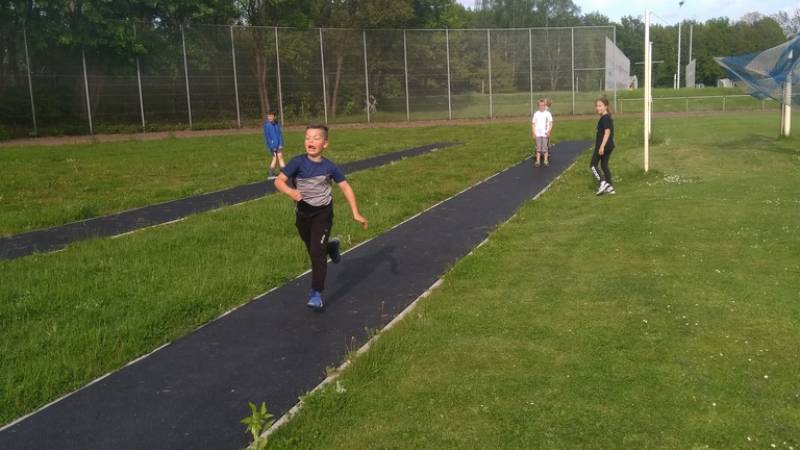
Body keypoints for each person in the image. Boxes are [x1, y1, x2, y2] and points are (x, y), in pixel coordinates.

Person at [274, 125, 368, 310]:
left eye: (316, 138)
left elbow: (346, 188)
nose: (311, 141)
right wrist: (290, 191)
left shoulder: (329, 167)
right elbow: (278, 181)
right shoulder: (297, 162)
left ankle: (316, 293)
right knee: (313, 249)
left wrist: (356, 213)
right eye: (308, 138)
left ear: (325, 144)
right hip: (303, 214)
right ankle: (331, 246)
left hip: (323, 214)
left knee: (317, 253)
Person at [591, 96, 616, 196]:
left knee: (593, 165)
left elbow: (607, 132)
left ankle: (603, 182)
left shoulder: (605, 118)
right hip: (609, 146)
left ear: (606, 106)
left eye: (600, 106)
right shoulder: (606, 117)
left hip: (604, 146)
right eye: (597, 106)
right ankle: (610, 187)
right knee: (604, 165)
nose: (598, 108)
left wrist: (602, 146)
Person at [531, 98, 553, 167]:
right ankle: (537, 160)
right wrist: (534, 133)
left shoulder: (547, 112)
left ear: (545, 105)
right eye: (540, 105)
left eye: (543, 105)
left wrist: (548, 131)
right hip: (538, 133)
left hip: (544, 133)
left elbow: (550, 123)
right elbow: (533, 124)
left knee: (545, 146)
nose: (542, 106)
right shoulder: (536, 113)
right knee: (538, 147)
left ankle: (545, 159)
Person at [263, 112, 285, 178]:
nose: (269, 117)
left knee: (280, 157)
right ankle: (270, 174)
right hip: (273, 146)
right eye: (268, 116)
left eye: (271, 116)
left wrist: (281, 144)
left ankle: (284, 173)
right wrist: (272, 147)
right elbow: (268, 138)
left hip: (278, 145)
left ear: (274, 117)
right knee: (275, 159)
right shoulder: (267, 126)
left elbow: (279, 135)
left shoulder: (276, 124)